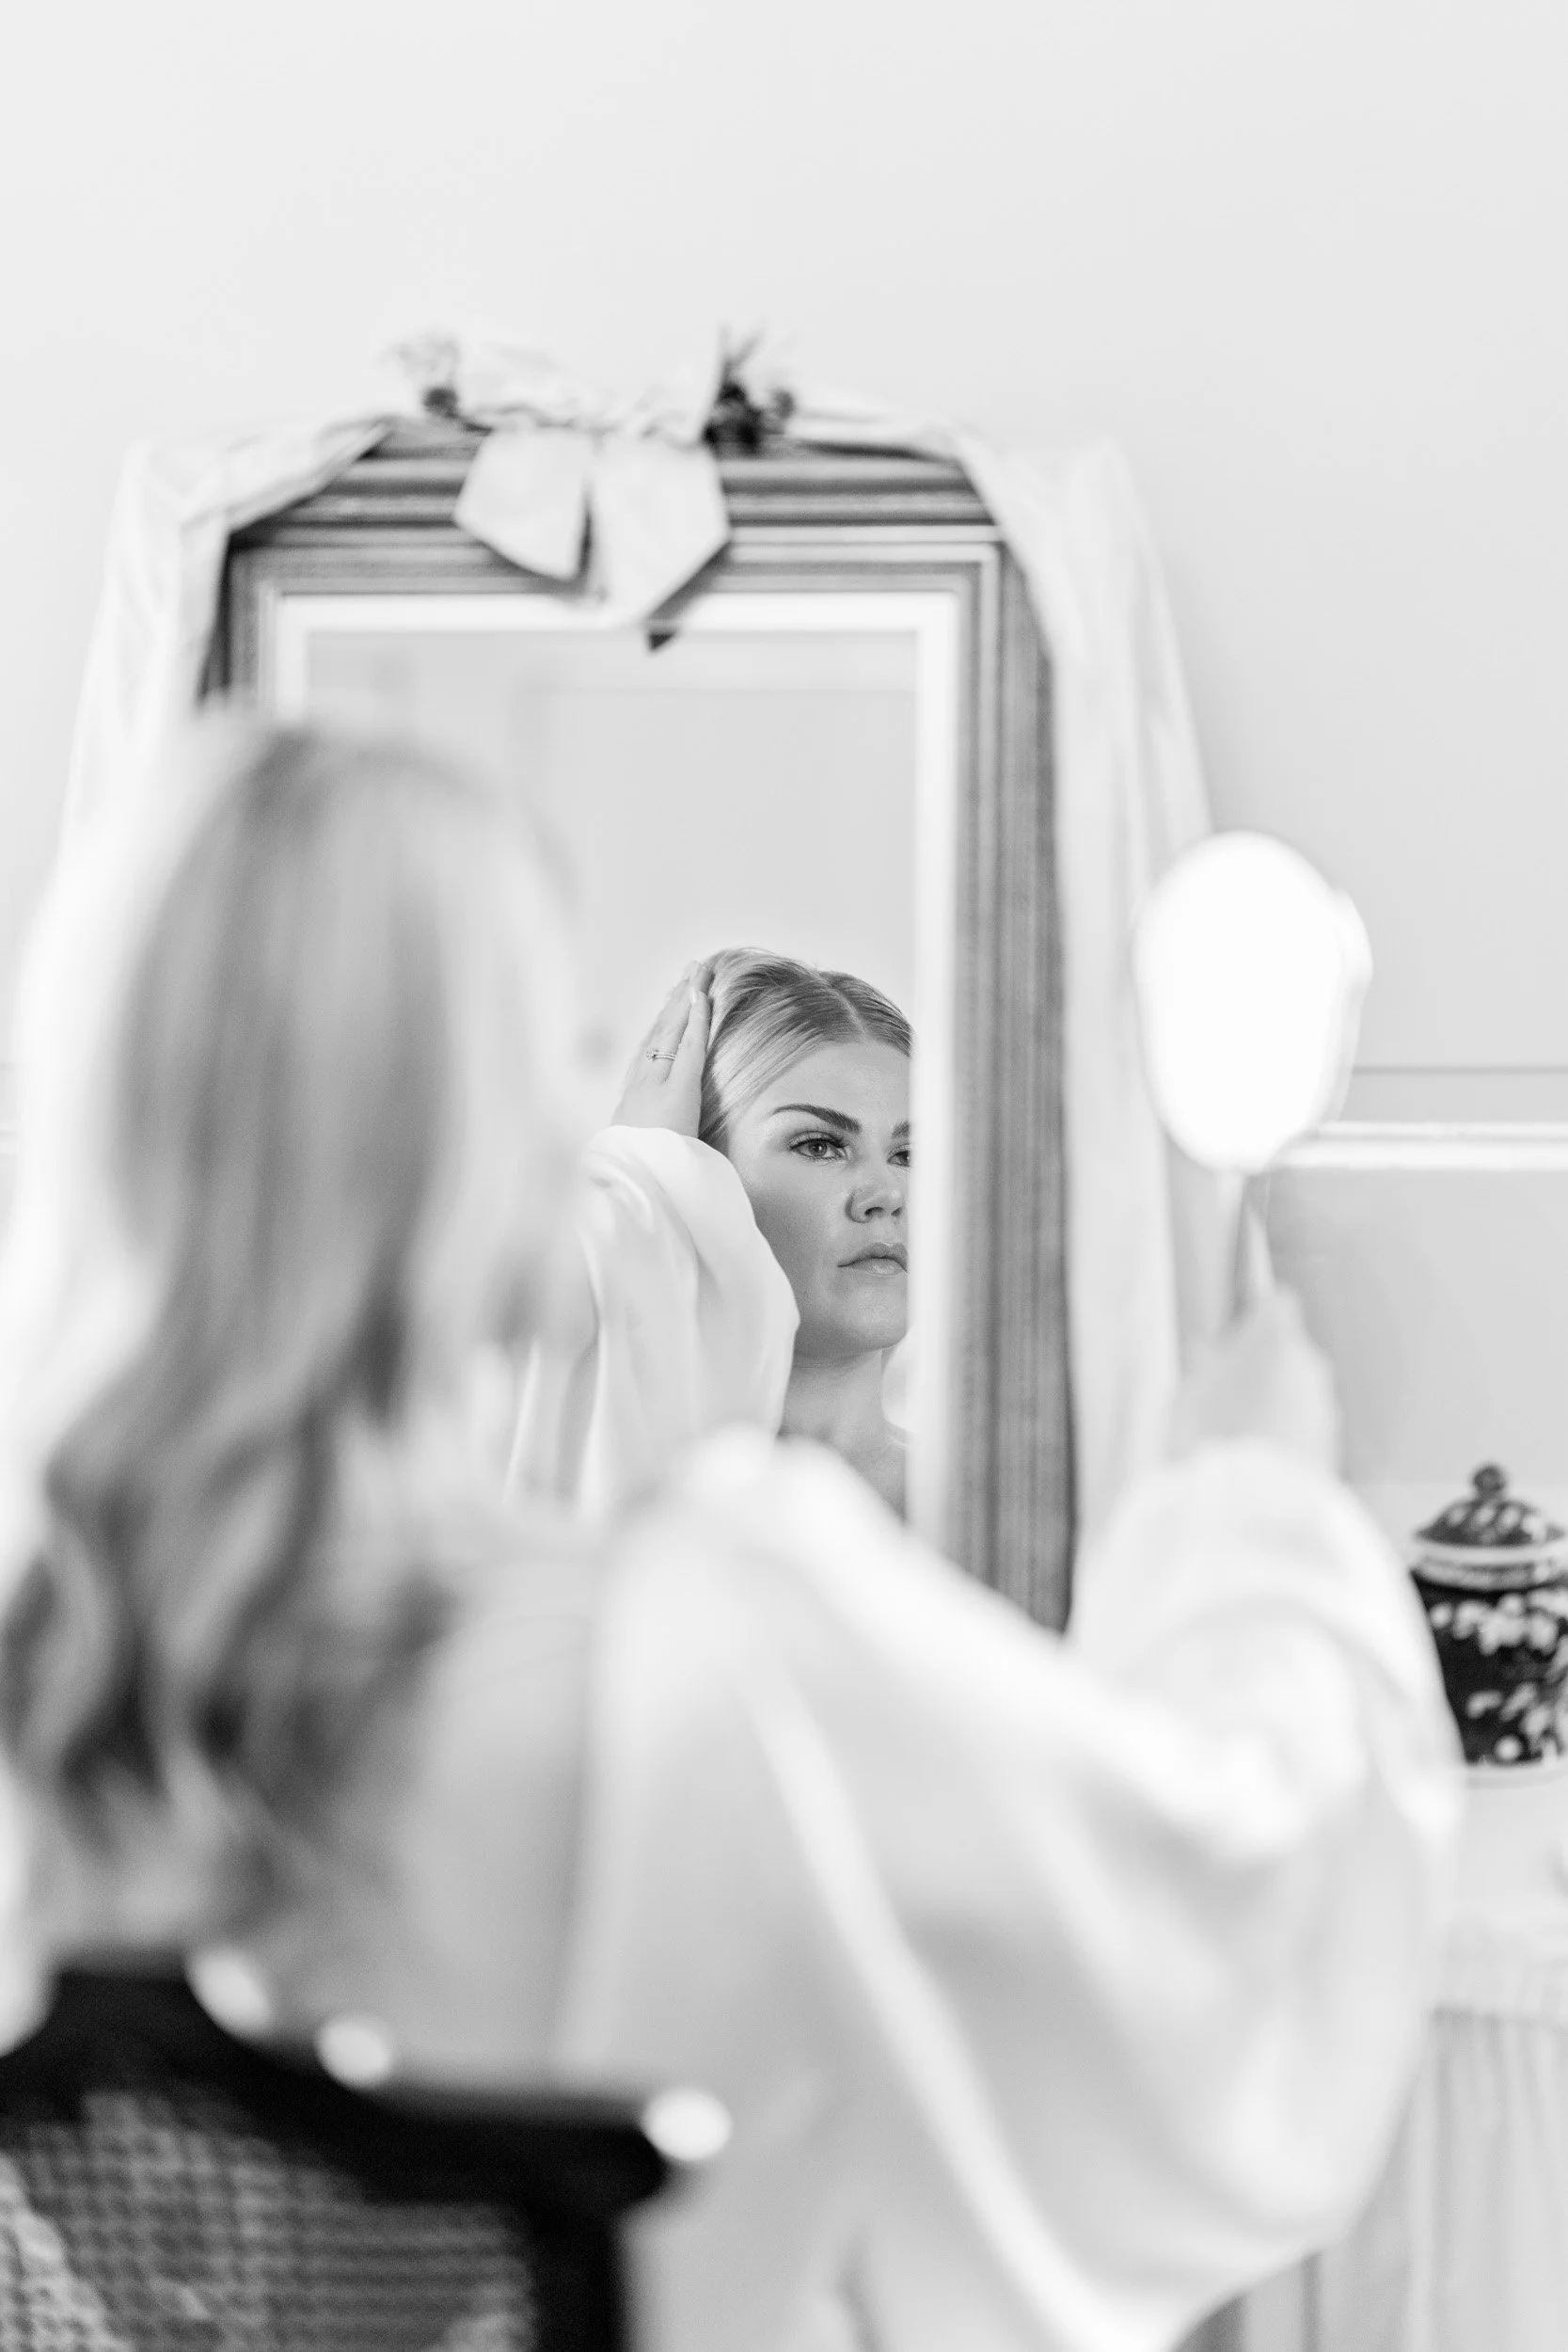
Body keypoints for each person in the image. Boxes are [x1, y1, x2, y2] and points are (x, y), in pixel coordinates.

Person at [0, 719, 1459, 2352]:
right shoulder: (719, 1652)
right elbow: (1222, 1990)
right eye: (560, 1062)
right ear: (480, 1140)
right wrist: (1254, 1517)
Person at [509, 949, 911, 1517]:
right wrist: (642, 1173)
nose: (887, 1193)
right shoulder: (631, 1501)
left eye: (908, 1153)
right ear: (701, 1173)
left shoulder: (1005, 1508)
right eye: (819, 1146)